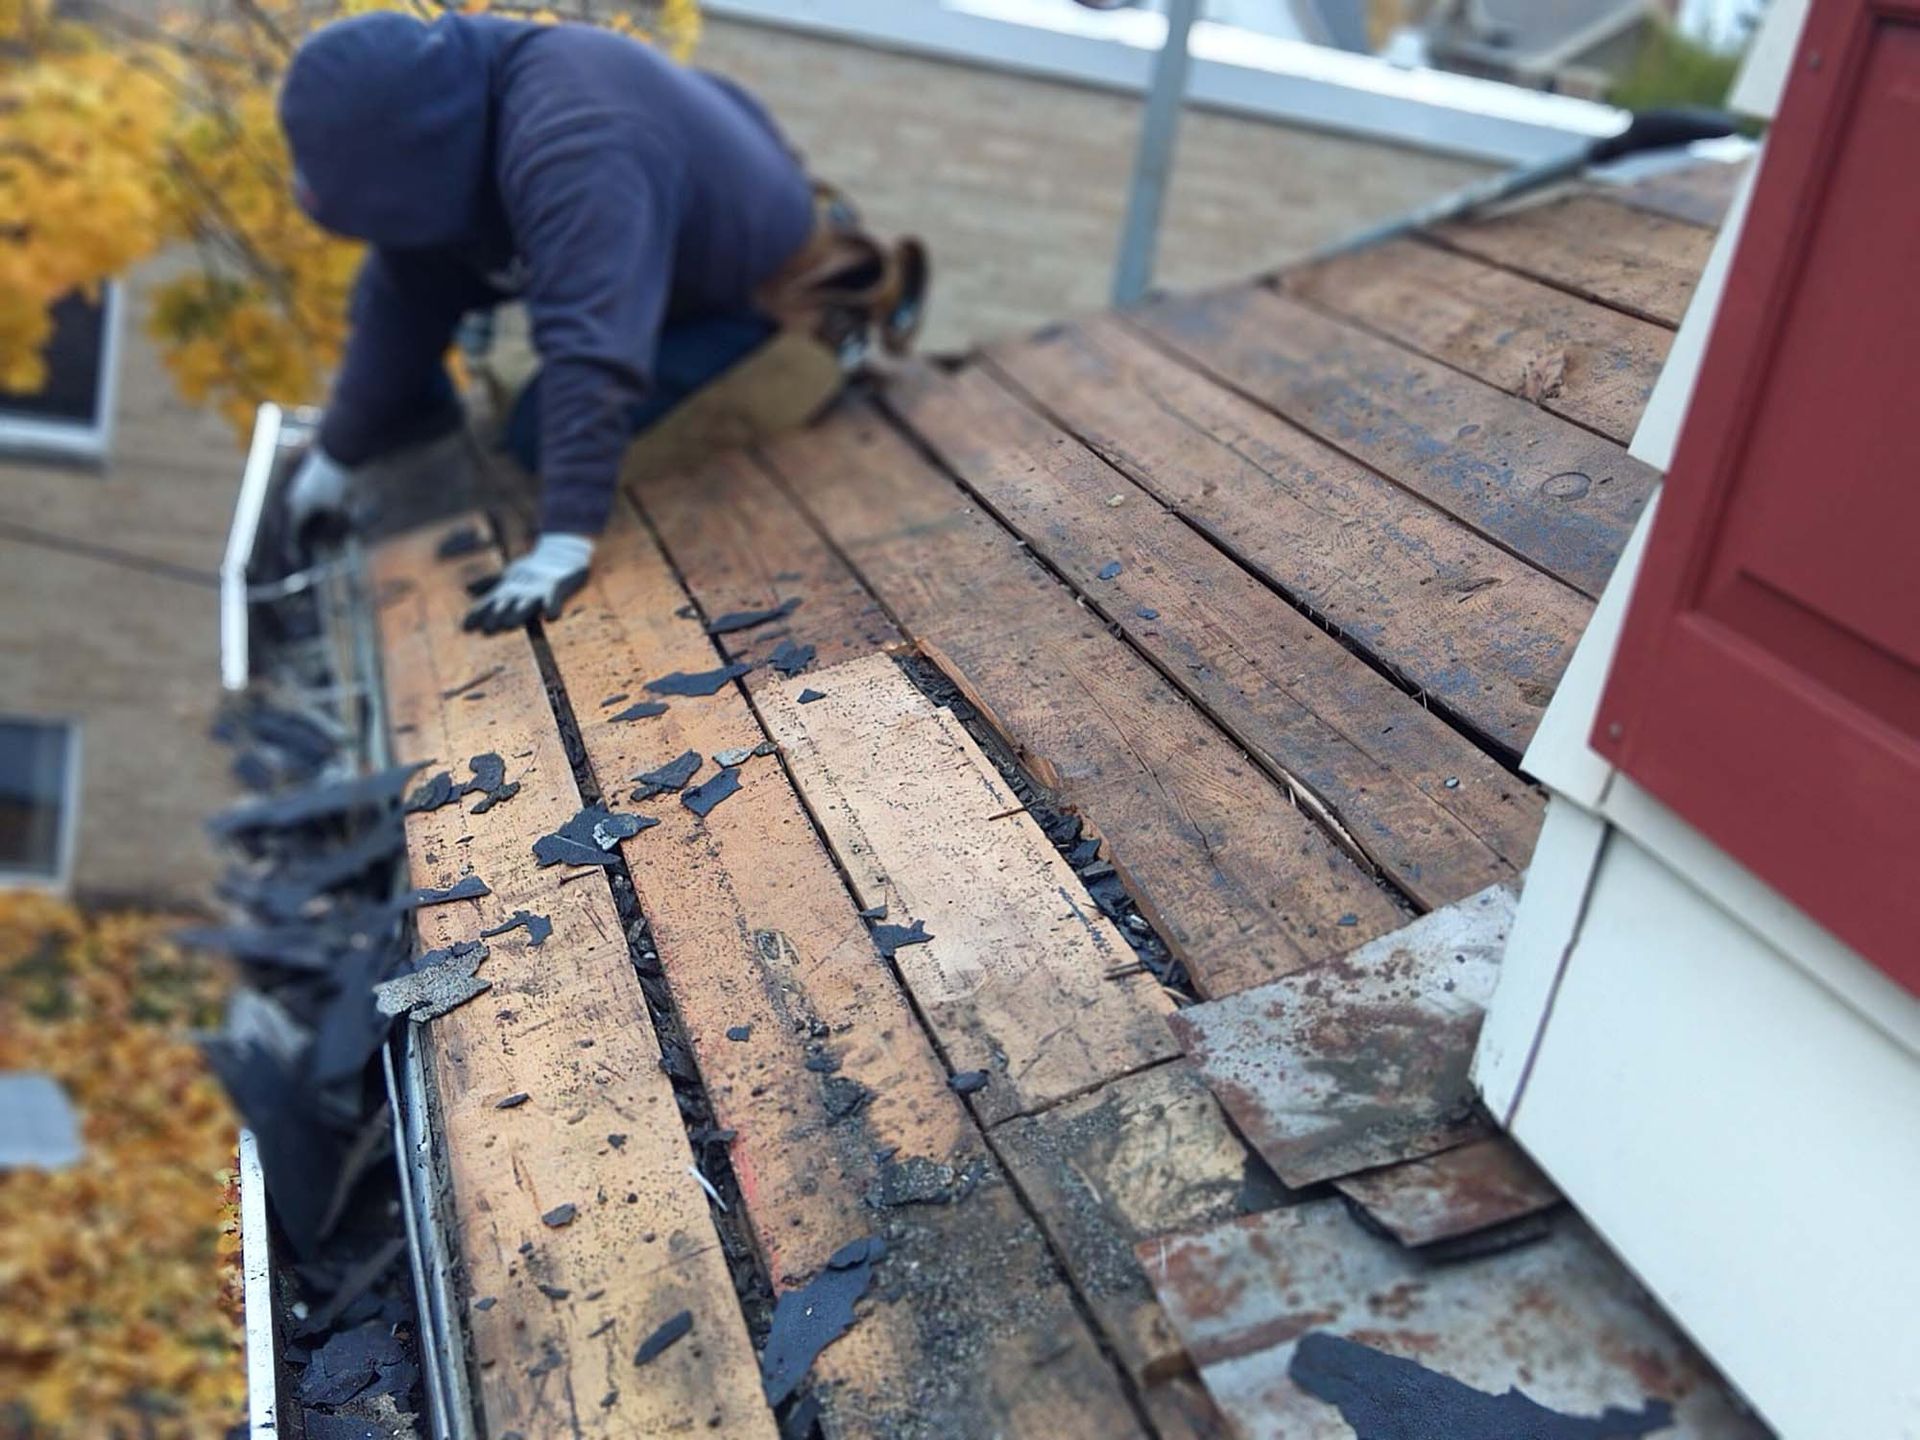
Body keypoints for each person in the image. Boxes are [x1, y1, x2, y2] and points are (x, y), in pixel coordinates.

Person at [277, 11, 920, 632]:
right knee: (507, 391)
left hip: (761, 301)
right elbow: (403, 296)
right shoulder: (454, 110)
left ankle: (822, 359)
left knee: (538, 439)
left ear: (421, 149)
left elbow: (592, 350)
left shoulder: (576, 138)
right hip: (657, 280)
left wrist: (563, 543)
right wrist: (335, 457)